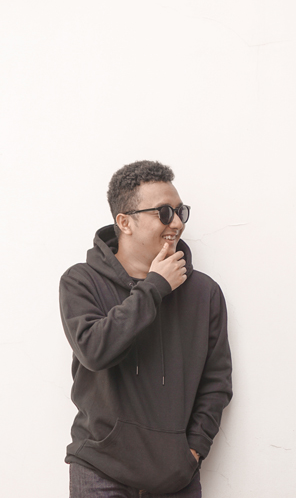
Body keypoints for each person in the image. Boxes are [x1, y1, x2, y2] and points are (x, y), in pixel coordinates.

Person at [60, 160, 232, 497]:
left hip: (176, 477)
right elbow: (94, 351)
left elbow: (217, 382)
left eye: (180, 211)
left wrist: (193, 451)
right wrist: (154, 288)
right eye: (164, 213)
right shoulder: (80, 281)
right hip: (99, 472)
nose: (177, 223)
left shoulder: (204, 292)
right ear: (124, 222)